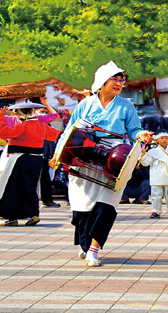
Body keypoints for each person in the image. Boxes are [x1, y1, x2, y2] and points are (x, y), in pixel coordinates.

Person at [54, 61, 152, 267]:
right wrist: (58, 153)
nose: (119, 83)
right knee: (82, 207)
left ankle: (93, 249)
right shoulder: (85, 104)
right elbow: (70, 130)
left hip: (115, 158)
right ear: (102, 82)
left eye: (121, 79)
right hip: (84, 154)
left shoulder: (126, 106)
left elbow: (134, 130)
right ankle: (84, 243)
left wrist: (141, 134)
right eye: (114, 79)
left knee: (107, 205)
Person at [0, 100, 62, 226]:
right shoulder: (41, 125)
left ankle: (12, 217)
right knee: (30, 187)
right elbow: (54, 135)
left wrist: (0, 117)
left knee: (13, 187)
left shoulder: (23, 126)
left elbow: (3, 132)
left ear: (21, 114)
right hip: (37, 160)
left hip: (20, 159)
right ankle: (33, 214)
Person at [142, 133, 168, 219]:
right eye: (162, 138)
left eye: (166, 138)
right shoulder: (152, 151)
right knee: (156, 195)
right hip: (157, 176)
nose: (164, 140)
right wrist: (144, 154)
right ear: (156, 140)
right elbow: (146, 163)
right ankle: (156, 211)